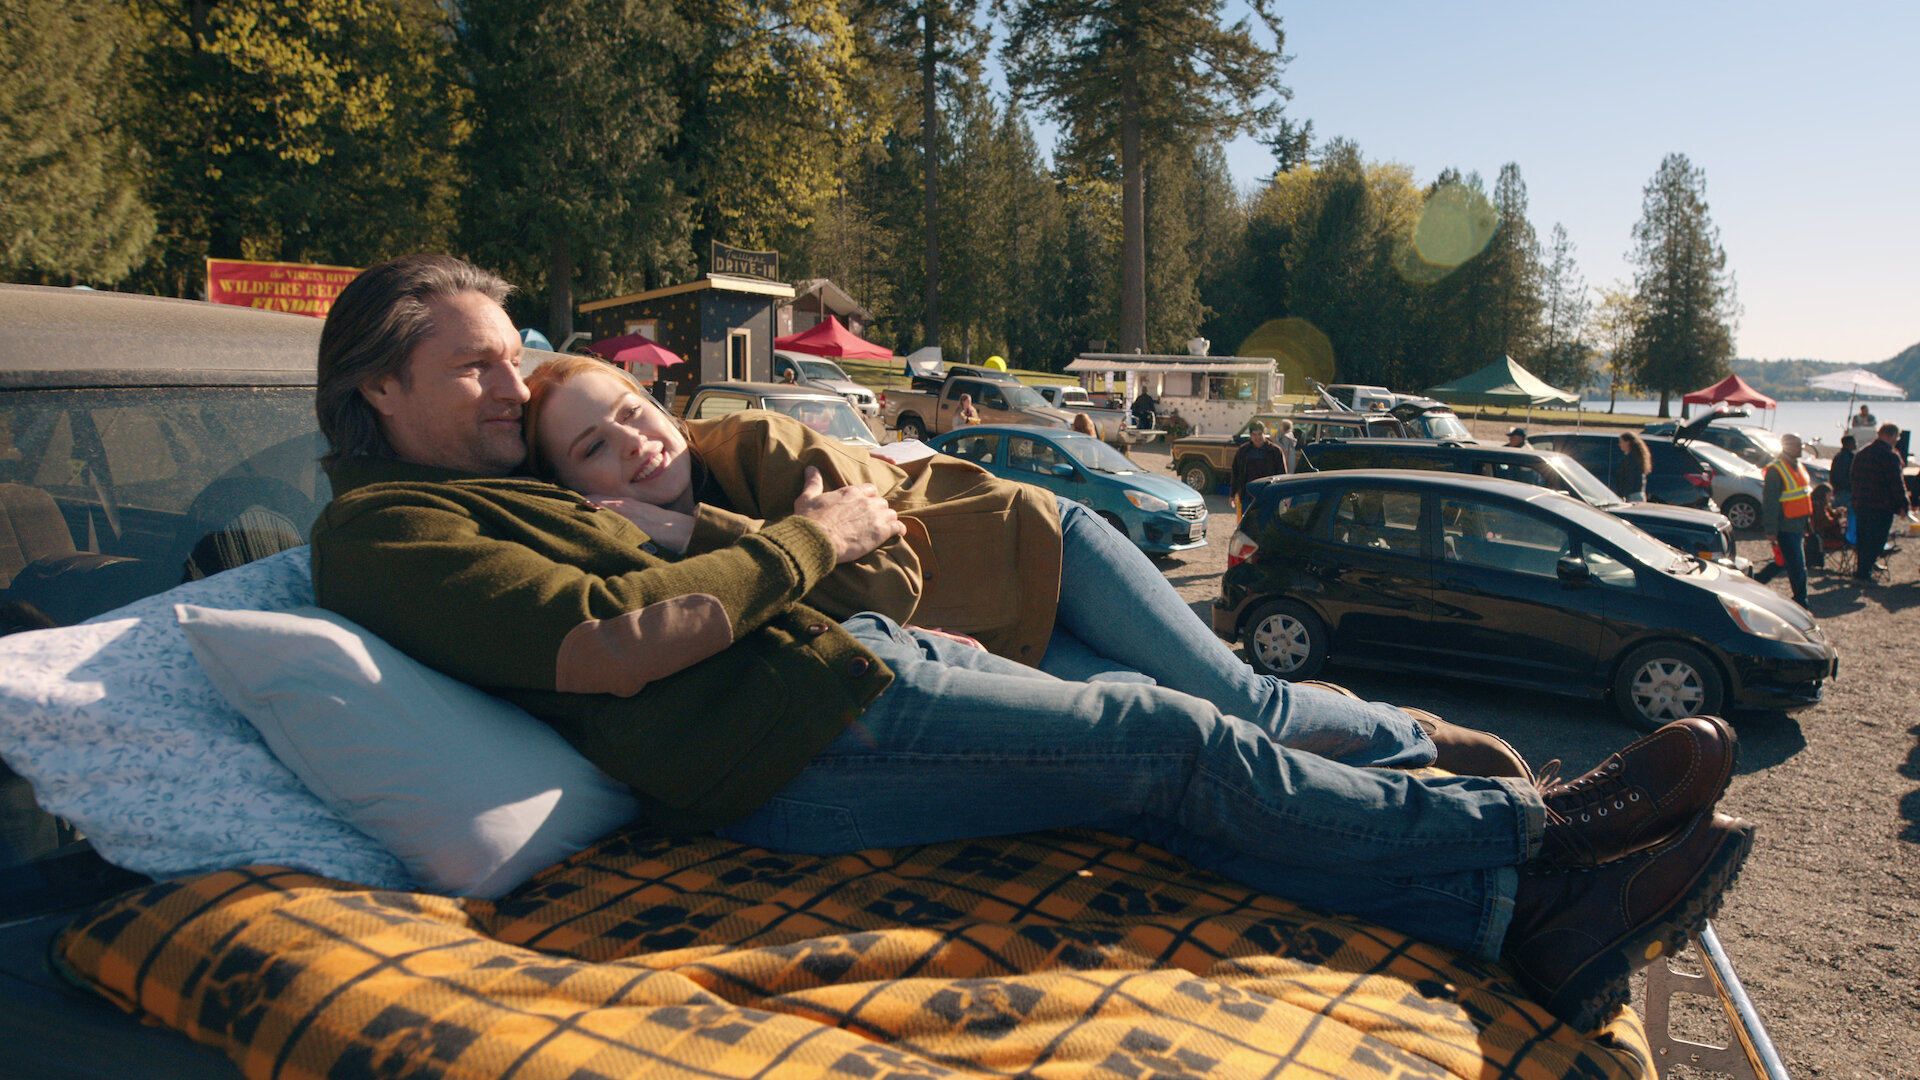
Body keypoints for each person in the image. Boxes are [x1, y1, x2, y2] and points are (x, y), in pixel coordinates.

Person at [307, 254, 1752, 1032]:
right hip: (792, 745)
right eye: (478, 364)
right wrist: (811, 545)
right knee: (1168, 737)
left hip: (856, 671)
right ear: (379, 391)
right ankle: (1533, 835)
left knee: (1152, 766)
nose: (512, 381)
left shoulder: (501, 485)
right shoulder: (382, 535)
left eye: (513, 353)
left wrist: (796, 539)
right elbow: (613, 647)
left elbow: (701, 504)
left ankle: (1524, 922)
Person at [523, 353, 1483, 772]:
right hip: (997, 637)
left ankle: (1416, 736)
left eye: (631, 413)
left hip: (1041, 543)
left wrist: (706, 539)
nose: (633, 443)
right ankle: (1377, 752)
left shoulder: (762, 447)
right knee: (1180, 731)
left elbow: (880, 583)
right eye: (593, 447)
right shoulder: (627, 552)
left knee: (1240, 701)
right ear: (575, 486)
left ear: (660, 403)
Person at [1753, 433, 1811, 607]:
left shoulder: (1797, 466)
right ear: (1787, 447)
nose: (1801, 448)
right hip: (1786, 526)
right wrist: (1770, 530)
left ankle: (1753, 583)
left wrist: (1808, 523)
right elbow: (1770, 502)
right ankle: (1802, 601)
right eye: (1798, 445)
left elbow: (1802, 495)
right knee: (1797, 565)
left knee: (1783, 562)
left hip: (1798, 524)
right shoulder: (1776, 470)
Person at [1849, 422, 1910, 583]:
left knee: (1863, 537)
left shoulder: (1862, 453)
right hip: (1881, 505)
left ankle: (1862, 569)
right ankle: (1864, 572)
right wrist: (1903, 505)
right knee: (1877, 539)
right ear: (1890, 436)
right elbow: (1896, 483)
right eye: (1896, 437)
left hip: (1861, 503)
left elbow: (1853, 477)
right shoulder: (1890, 455)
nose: (1897, 441)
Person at [1229, 420, 1288, 511]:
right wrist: (1232, 494)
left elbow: (1282, 474)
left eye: (1260, 434)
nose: (1257, 437)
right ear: (1250, 435)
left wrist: (1283, 496)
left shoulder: (1275, 451)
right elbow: (1235, 472)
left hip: (1268, 494)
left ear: (1264, 434)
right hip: (1247, 495)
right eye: (1254, 434)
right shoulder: (1243, 451)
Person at [1804, 483, 1845, 571]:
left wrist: (1836, 513)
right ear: (1824, 494)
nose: (1831, 498)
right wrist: (1837, 518)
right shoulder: (1818, 505)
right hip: (1824, 535)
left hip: (1822, 532)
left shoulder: (1820, 504)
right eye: (1829, 495)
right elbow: (1825, 522)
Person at [1613, 432, 1651, 502]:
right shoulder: (1636, 457)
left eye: (1621, 442)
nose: (1619, 445)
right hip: (1637, 494)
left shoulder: (1631, 459)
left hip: (1632, 496)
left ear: (1628, 442)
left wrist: (1622, 494)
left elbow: (1630, 479)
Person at [1829, 434, 1856, 510]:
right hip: (1845, 492)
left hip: (1839, 491)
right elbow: (1842, 475)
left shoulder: (1838, 457)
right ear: (1849, 444)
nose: (1855, 444)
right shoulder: (1847, 457)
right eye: (1853, 442)